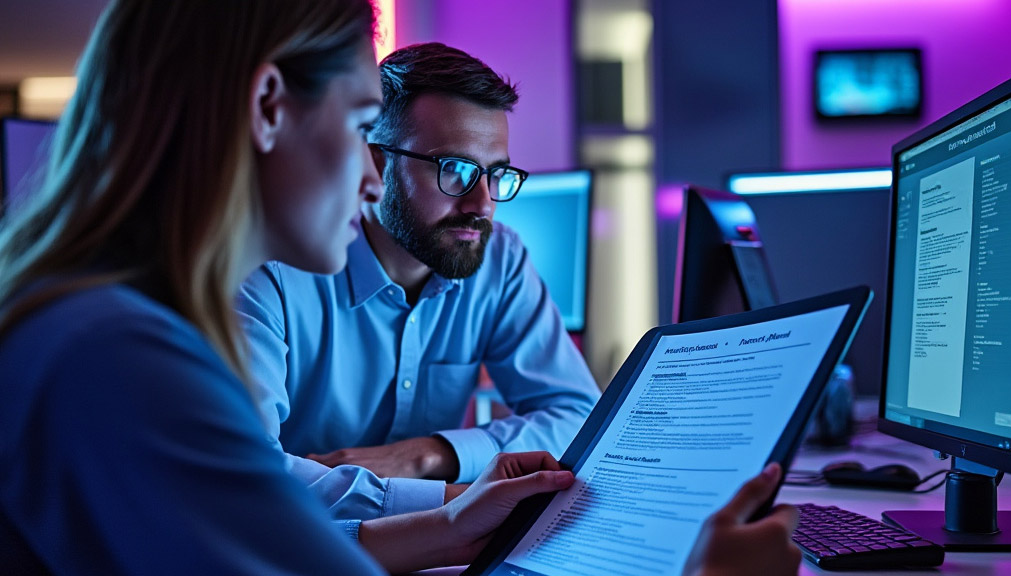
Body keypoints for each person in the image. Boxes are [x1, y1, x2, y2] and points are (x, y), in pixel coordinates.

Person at [0, 0, 800, 573]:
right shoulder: (125, 356)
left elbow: (273, 545)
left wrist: (445, 513)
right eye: (357, 128)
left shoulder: (93, 320)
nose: (365, 171)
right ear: (269, 108)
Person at [236, 42, 602, 519]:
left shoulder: (499, 257)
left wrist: (434, 455)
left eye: (496, 174)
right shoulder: (272, 266)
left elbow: (580, 417)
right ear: (377, 163)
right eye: (456, 170)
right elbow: (245, 477)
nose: (483, 204)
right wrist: (450, 505)